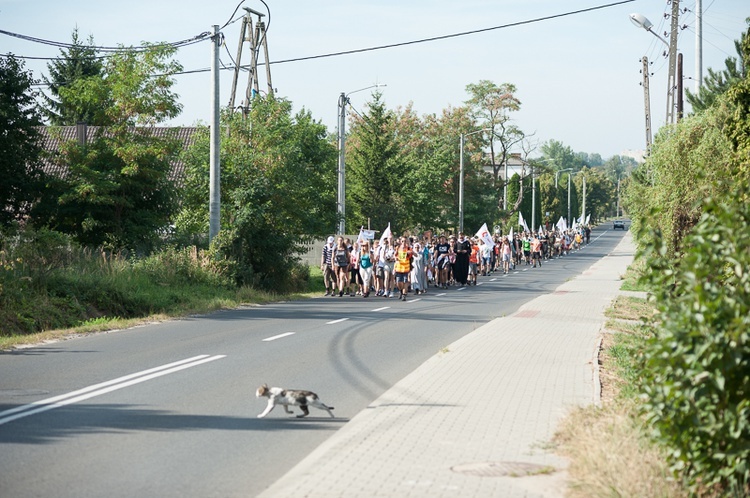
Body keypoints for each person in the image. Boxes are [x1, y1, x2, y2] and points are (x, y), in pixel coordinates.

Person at [394, 237, 413, 301]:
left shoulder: (408, 248)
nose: (404, 243)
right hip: (399, 268)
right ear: (400, 242)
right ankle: (400, 291)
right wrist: (395, 258)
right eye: (402, 241)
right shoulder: (398, 248)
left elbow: (412, 254)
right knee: (399, 282)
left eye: (405, 241)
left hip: (406, 268)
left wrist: (410, 253)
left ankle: (404, 295)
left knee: (405, 282)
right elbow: (395, 255)